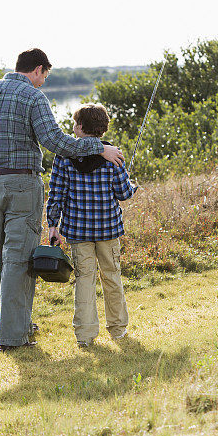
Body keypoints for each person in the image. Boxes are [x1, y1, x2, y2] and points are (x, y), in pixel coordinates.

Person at [0, 49, 125, 351]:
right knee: (18, 258)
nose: (43, 82)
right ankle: (14, 338)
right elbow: (54, 141)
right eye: (45, 76)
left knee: (4, 257)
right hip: (22, 185)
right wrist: (99, 148)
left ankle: (19, 325)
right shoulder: (33, 97)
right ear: (38, 70)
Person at [46, 103, 138, 348]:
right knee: (112, 276)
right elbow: (123, 193)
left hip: (77, 231)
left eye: (76, 123)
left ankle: (85, 336)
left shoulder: (64, 156)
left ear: (82, 128)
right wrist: (133, 186)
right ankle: (117, 330)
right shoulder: (113, 154)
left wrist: (52, 225)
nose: (73, 127)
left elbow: (56, 193)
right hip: (108, 229)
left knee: (84, 280)